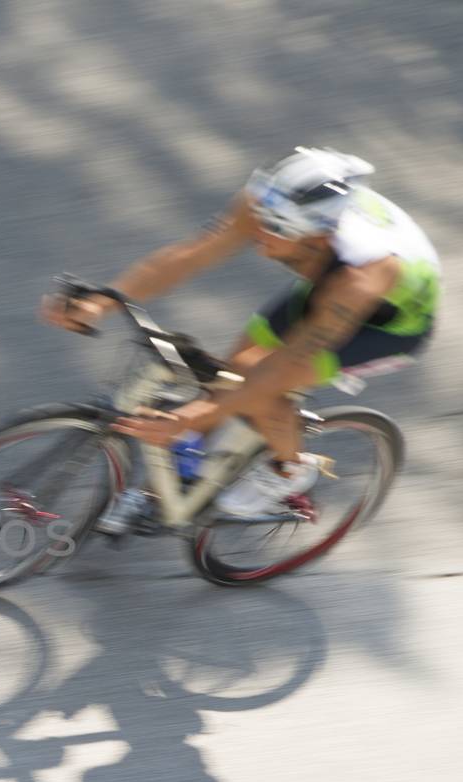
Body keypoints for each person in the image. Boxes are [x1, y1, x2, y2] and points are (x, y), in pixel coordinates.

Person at [41, 146, 439, 516]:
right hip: (325, 283)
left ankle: (291, 471)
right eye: (262, 221)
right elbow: (189, 256)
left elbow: (283, 368)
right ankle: (185, 478)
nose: (259, 238)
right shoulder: (271, 204)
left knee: (262, 387)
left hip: (387, 325)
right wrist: (103, 300)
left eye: (277, 230)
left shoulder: (362, 277)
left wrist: (188, 418)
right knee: (232, 371)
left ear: (320, 234)